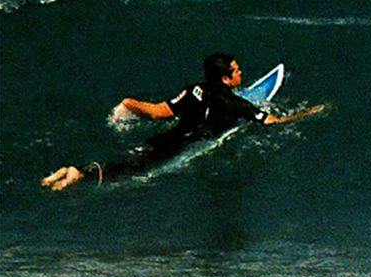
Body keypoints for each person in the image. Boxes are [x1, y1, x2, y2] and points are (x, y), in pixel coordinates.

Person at [40, 52, 322, 190]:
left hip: (164, 138)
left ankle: (73, 171)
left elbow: (155, 112)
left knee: (129, 160)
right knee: (127, 170)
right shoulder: (235, 103)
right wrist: (308, 114)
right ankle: (78, 173)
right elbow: (271, 122)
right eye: (236, 71)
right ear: (226, 79)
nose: (241, 73)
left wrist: (129, 104)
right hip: (176, 147)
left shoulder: (194, 89)